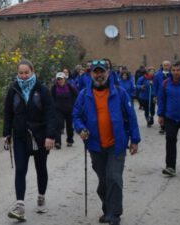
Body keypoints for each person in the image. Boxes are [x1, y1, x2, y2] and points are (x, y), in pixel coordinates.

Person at [73, 59, 141, 225]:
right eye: (96, 72)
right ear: (91, 74)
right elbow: (76, 116)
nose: (99, 75)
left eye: (102, 71)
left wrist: (135, 140)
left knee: (114, 178)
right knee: (103, 181)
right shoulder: (84, 94)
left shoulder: (120, 92)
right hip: (95, 145)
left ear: (108, 73)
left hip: (116, 144)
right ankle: (107, 209)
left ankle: (114, 214)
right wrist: (81, 128)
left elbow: (131, 117)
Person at [3, 59, 57, 222]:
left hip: (40, 137)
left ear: (33, 72)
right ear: (17, 73)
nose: (24, 76)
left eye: (27, 72)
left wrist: (50, 136)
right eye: (21, 73)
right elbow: (8, 113)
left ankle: (41, 196)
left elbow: (50, 114)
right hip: (20, 136)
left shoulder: (42, 90)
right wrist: (7, 133)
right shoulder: (13, 90)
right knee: (20, 169)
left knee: (41, 168)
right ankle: (20, 206)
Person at [51, 72, 78, 149]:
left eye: (61, 79)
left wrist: (73, 104)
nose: (60, 81)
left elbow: (76, 95)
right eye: (58, 79)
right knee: (58, 125)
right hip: (58, 110)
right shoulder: (54, 88)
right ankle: (58, 142)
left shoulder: (69, 86)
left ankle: (70, 140)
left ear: (64, 79)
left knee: (69, 126)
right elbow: (51, 98)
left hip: (69, 109)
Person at [153, 60, 172, 134]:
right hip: (160, 96)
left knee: (169, 110)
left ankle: (168, 125)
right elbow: (155, 86)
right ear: (162, 66)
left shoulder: (172, 74)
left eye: (167, 65)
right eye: (165, 65)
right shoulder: (157, 75)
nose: (166, 67)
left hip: (170, 96)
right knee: (161, 110)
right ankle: (162, 126)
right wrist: (154, 96)